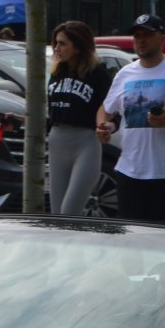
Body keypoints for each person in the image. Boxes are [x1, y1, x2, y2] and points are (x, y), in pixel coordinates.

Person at [95, 13, 165, 225]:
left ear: (162, 38)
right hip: (131, 173)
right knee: (136, 243)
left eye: (147, 34)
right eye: (136, 35)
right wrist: (102, 125)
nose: (141, 40)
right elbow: (106, 108)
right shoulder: (125, 73)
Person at [47, 20, 112, 215]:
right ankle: (63, 246)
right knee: (57, 213)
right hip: (58, 139)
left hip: (85, 142)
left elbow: (110, 107)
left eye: (63, 43)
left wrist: (109, 125)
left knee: (69, 211)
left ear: (78, 46)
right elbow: (52, 113)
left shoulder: (98, 73)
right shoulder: (57, 72)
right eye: (56, 43)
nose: (57, 48)